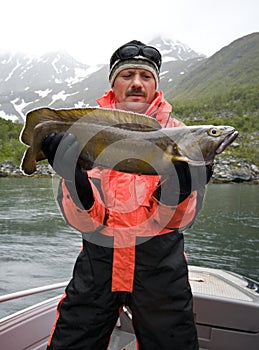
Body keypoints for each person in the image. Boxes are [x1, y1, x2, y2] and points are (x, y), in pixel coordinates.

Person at [44, 40, 212, 350]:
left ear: (155, 84)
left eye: (146, 76)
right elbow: (84, 220)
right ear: (113, 82)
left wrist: (184, 187)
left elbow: (177, 220)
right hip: (97, 265)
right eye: (127, 75)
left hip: (161, 268)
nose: (137, 83)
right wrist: (73, 176)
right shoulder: (85, 131)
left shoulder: (184, 135)